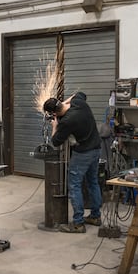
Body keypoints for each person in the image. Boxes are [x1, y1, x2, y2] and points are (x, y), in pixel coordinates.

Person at [43, 92, 102, 233]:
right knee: (93, 182)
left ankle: (78, 223)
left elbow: (56, 141)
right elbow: (79, 94)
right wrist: (65, 102)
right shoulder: (78, 103)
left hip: (83, 153)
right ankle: (95, 216)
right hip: (96, 148)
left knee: (74, 185)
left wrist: (54, 125)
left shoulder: (67, 122)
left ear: (53, 113)